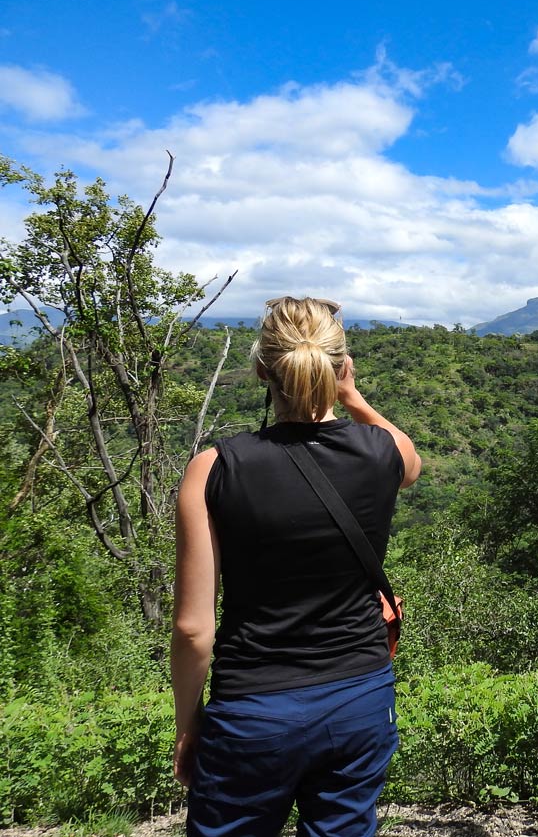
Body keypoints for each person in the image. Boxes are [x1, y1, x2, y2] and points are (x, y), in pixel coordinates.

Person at [172, 296, 421, 837]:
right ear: (342, 367)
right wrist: (351, 397)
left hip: (252, 710)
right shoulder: (381, 453)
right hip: (360, 698)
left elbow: (194, 629)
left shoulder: (212, 469)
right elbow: (412, 460)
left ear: (263, 368)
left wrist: (188, 725)